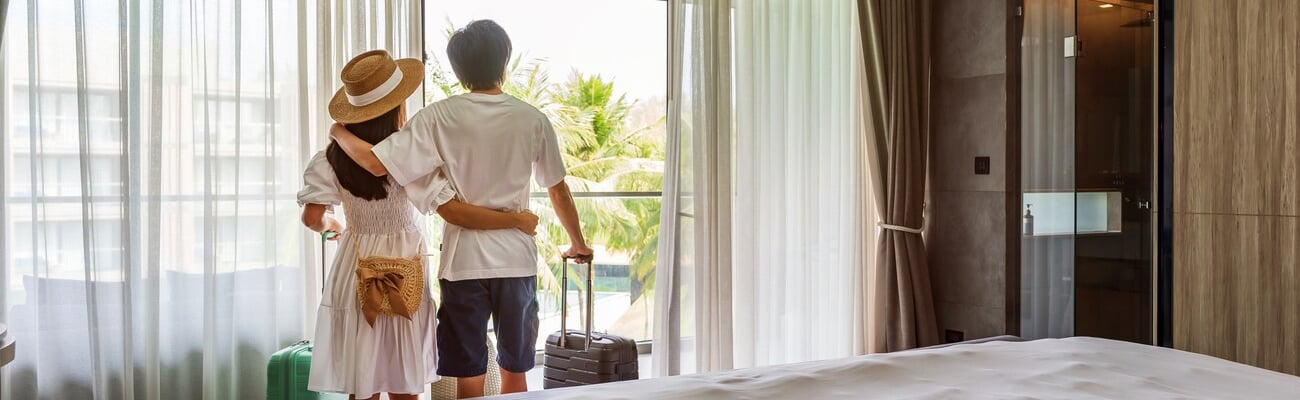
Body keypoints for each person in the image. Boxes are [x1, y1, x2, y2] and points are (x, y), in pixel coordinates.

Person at [330, 20, 593, 398]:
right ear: (505, 61)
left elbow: (375, 163)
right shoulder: (532, 119)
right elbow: (559, 189)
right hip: (515, 261)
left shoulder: (438, 116)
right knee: (514, 373)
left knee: (469, 376)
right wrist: (577, 243)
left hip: (463, 264)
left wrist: (338, 132)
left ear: (458, 70)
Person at [299, 49, 539, 400]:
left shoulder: (329, 158)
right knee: (404, 378)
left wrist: (336, 223)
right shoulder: (413, 154)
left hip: (357, 265)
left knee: (361, 378)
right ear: (397, 108)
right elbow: (443, 204)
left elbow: (312, 217)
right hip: (406, 267)